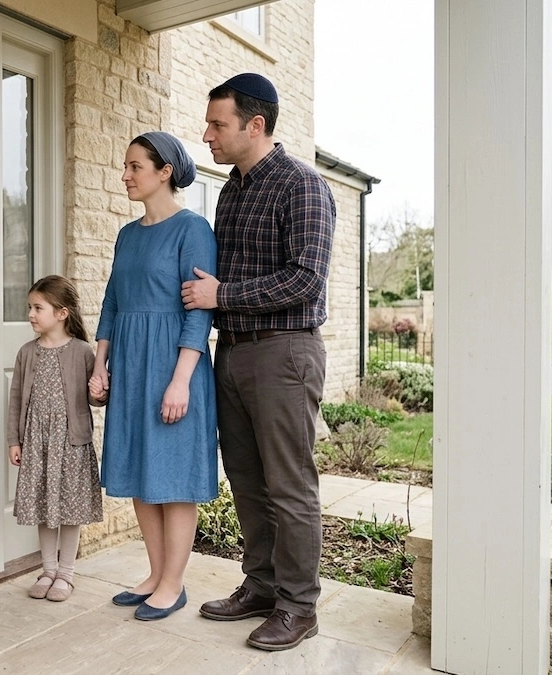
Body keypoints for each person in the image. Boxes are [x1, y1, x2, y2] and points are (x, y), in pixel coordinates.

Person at [182, 73, 335, 651]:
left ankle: (299, 605)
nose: (208, 135)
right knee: (247, 480)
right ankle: (263, 585)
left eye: (218, 124)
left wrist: (224, 297)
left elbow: (305, 279)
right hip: (235, 353)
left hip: (285, 353)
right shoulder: (233, 190)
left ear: (255, 125)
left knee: (290, 485)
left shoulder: (303, 185)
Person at [88, 131, 218, 621]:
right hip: (131, 364)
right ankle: (156, 573)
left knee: (174, 478)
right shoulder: (127, 235)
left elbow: (197, 313)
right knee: (143, 471)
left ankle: (174, 583)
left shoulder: (193, 229)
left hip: (172, 365)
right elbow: (111, 304)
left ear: (164, 172)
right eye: (125, 166)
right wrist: (102, 364)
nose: (124, 175)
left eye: (134, 166)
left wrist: (181, 379)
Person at [8, 275, 105, 602]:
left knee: (70, 509)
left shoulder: (81, 351)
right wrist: (14, 440)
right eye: (30, 308)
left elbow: (95, 397)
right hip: (38, 444)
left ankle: (66, 574)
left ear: (62, 313)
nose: (31, 314)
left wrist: (101, 392)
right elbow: (16, 400)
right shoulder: (27, 353)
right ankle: (47, 570)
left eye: (38, 308)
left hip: (71, 444)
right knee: (44, 507)